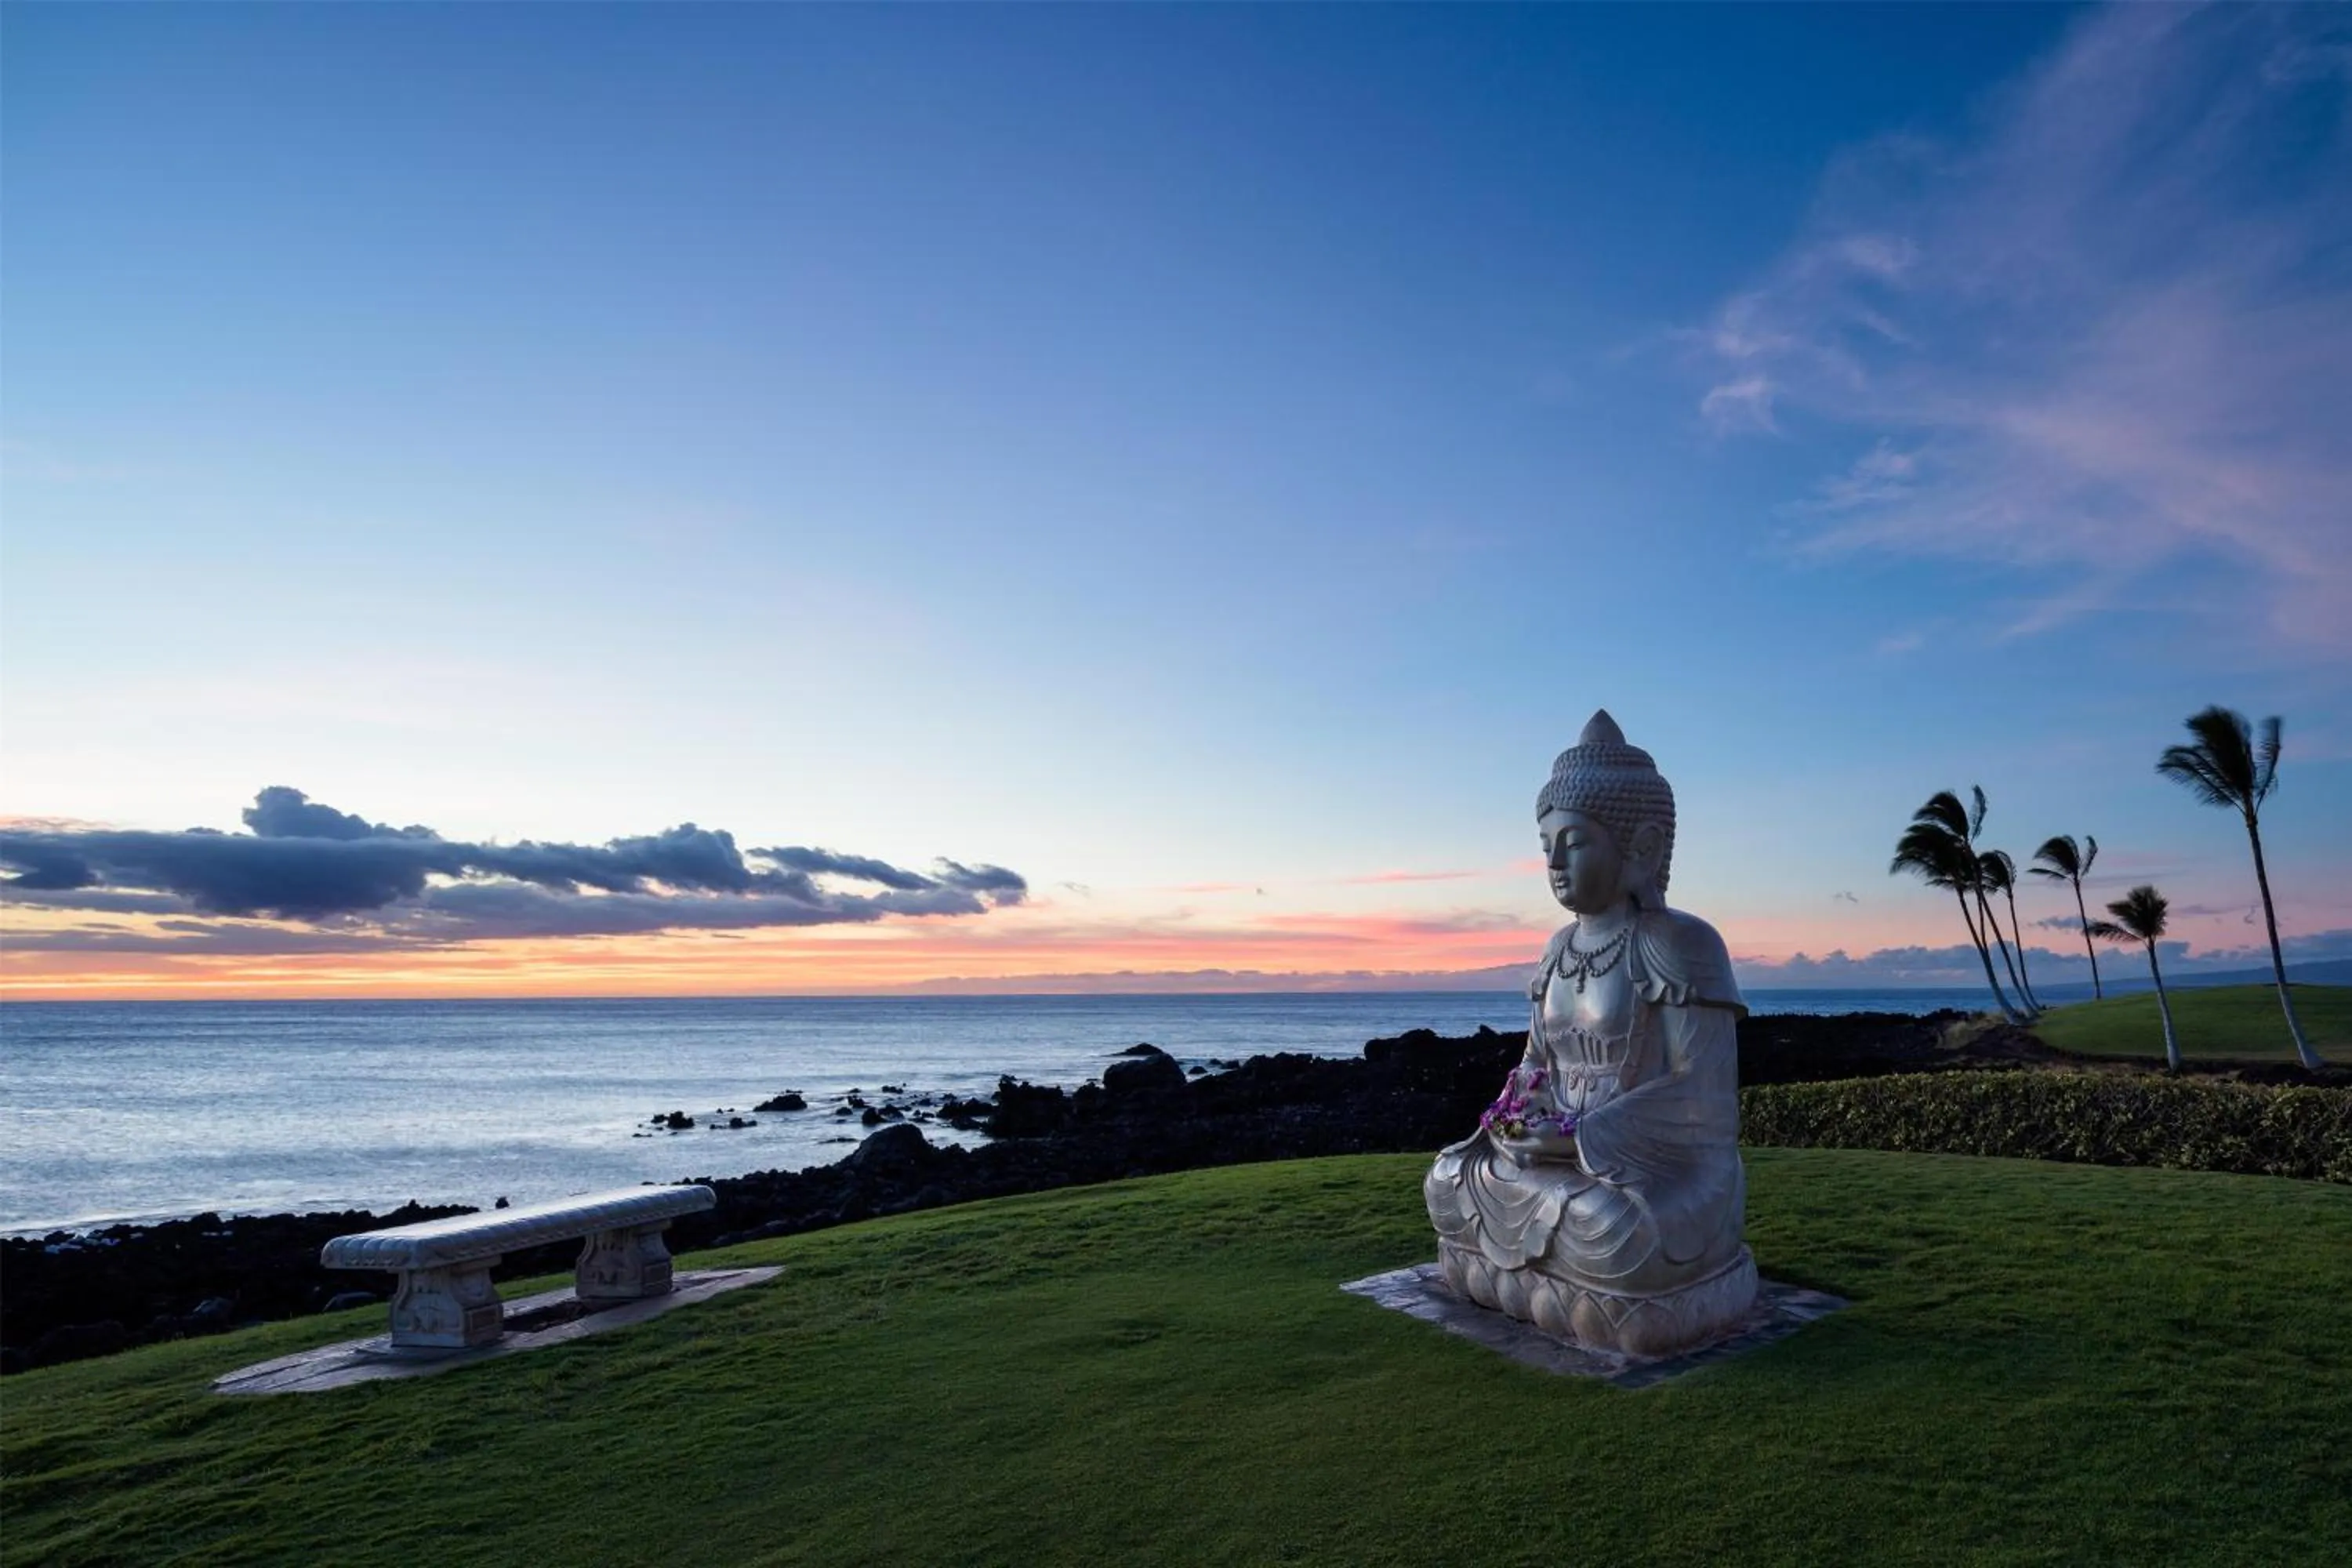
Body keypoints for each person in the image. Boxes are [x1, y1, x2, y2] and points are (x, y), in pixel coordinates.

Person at [1425, 710, 1756, 1356]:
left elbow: (1707, 1100)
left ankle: (1600, 1300)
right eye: (1545, 841)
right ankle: (1573, 1299)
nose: (1552, 860)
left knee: (1611, 1230)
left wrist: (1579, 1139)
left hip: (1652, 1170)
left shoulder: (1681, 943)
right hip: (1555, 1158)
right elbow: (1533, 1068)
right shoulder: (1556, 951)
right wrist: (1511, 1121)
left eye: (1573, 841)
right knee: (1447, 1179)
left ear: (1642, 847)